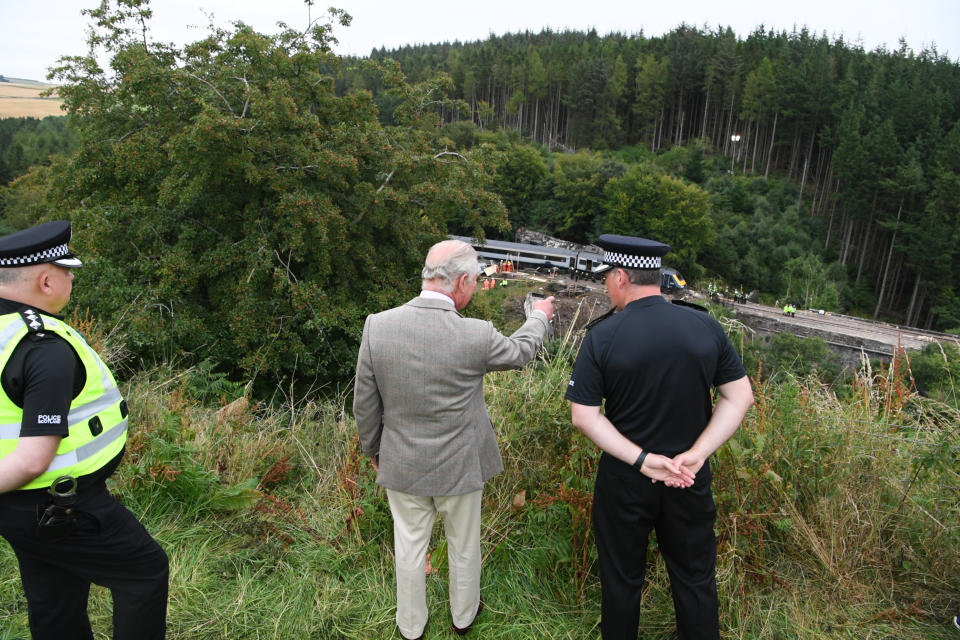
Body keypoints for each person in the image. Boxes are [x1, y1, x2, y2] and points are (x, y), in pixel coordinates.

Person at [353, 239, 554, 640]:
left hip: (402, 461)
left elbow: (364, 403)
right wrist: (540, 317)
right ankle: (462, 619)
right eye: (476, 280)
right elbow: (520, 353)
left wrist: (373, 450)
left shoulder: (378, 325)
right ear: (460, 280)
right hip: (461, 465)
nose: (477, 287)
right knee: (464, 544)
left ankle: (411, 627)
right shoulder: (476, 334)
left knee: (409, 545)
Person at [565, 234, 754, 640]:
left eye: (606, 280)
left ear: (619, 277)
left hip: (625, 483)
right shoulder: (704, 324)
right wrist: (698, 454)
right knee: (696, 580)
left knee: (621, 582)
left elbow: (584, 416)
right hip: (688, 478)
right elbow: (740, 397)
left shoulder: (603, 336)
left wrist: (641, 460)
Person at [0, 221, 168, 640]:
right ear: (45, 279)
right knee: (144, 571)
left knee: (53, 595)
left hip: (18, 510)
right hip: (59, 506)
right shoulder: (42, 347)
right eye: (66, 269)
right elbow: (33, 458)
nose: (71, 277)